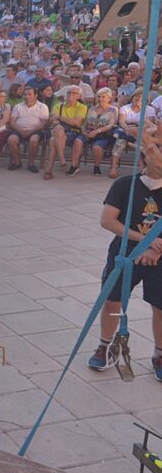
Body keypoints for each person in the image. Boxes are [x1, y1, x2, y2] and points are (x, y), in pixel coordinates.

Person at [88, 138, 162, 380]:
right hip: (124, 252)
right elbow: (108, 220)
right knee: (112, 300)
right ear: (144, 159)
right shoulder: (125, 185)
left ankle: (160, 353)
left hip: (159, 256)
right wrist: (144, 240)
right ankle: (106, 345)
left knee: (160, 306)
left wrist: (156, 249)